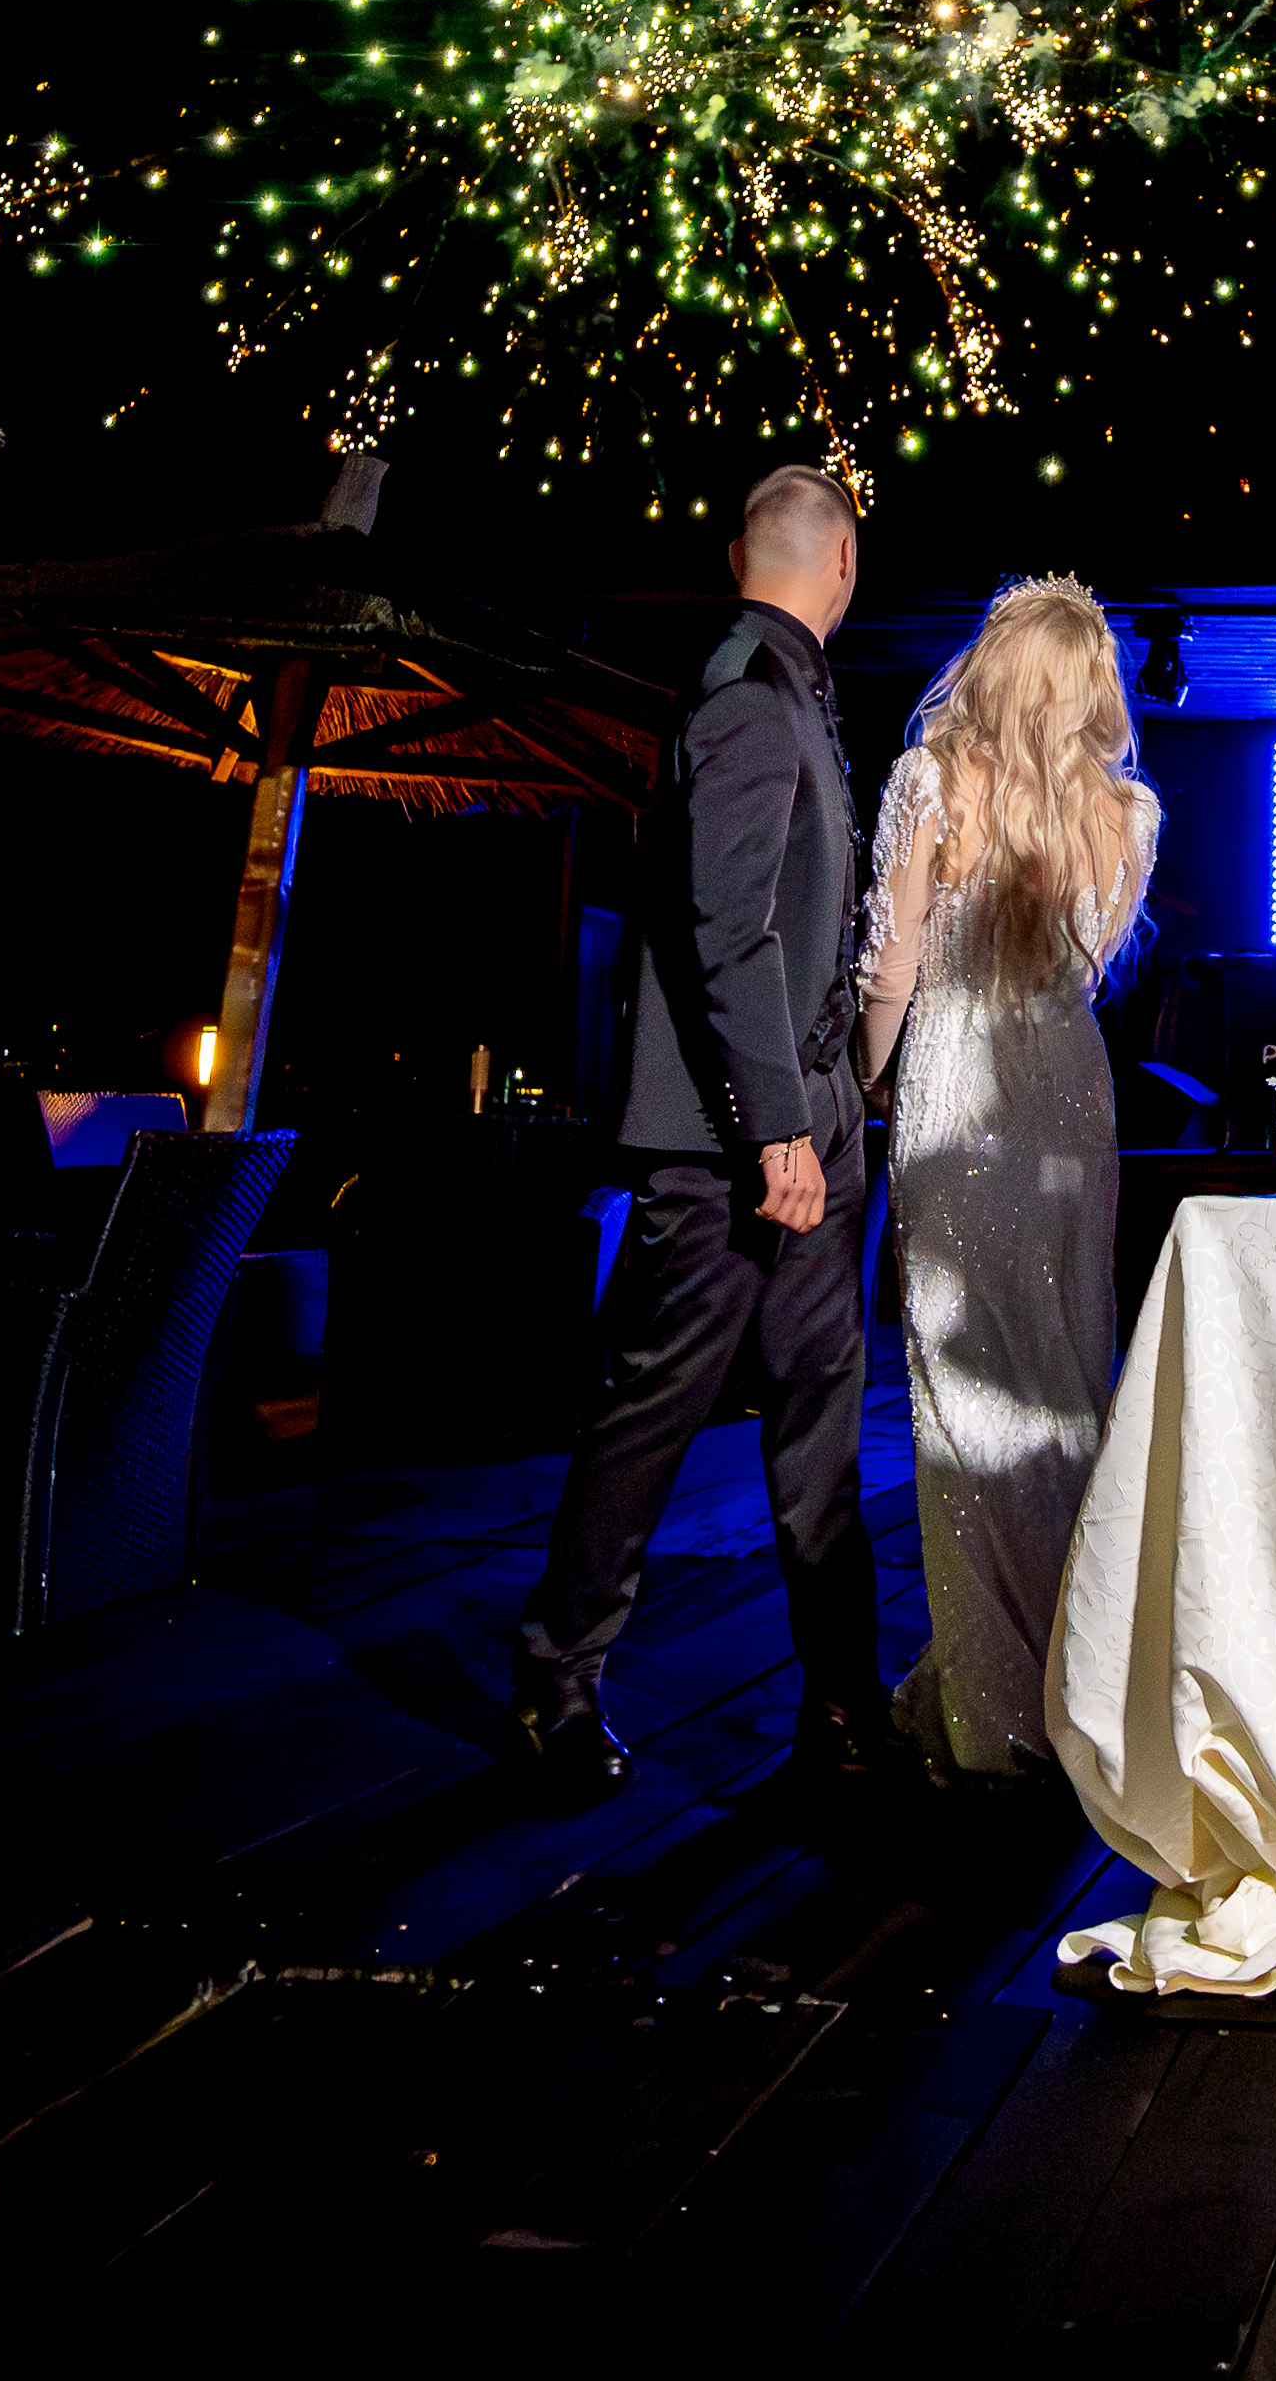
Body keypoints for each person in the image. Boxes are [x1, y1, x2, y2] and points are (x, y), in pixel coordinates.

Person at [509, 467, 889, 1803]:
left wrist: (825, 1118)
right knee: (655, 1410)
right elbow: (727, 931)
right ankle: (552, 1681)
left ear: (741, 554)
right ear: (841, 564)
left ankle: (841, 1703)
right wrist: (776, 1134)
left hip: (811, 1127)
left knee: (821, 1423)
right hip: (733, 1145)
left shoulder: (785, 689)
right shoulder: (745, 693)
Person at [855, 576, 1160, 1780]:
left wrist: (864, 1080)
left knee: (959, 1404)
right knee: (1064, 1390)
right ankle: (1068, 1688)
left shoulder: (929, 780)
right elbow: (1090, 967)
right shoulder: (1128, 814)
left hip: (950, 1080)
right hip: (1066, 1091)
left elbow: (891, 967)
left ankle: (993, 1702)